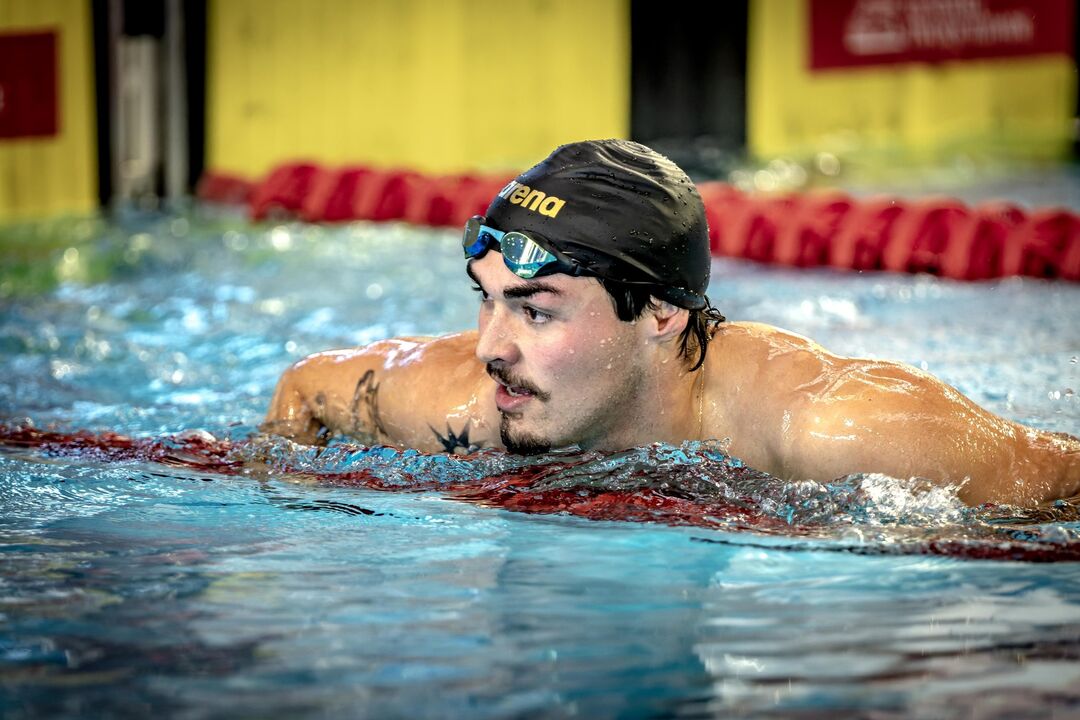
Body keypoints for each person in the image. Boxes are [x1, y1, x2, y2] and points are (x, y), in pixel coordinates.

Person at [262, 139, 1079, 507]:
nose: (490, 348)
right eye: (487, 298)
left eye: (536, 311)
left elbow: (1061, 480)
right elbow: (305, 391)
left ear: (658, 310)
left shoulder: (833, 429)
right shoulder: (466, 402)